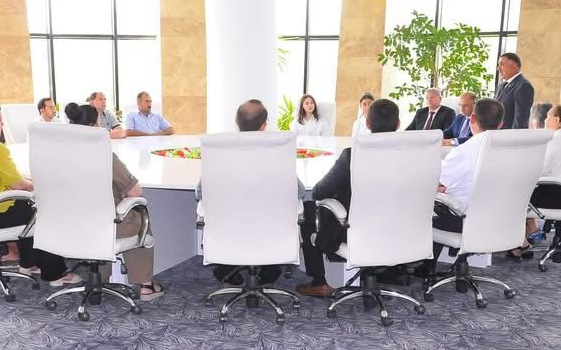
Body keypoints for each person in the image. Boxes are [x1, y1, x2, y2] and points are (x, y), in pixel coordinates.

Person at [0, 100, 78, 286]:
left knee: (25, 207)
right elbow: (19, 185)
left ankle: (29, 263)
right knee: (44, 212)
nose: (2, 124)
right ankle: (55, 274)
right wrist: (37, 183)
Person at [298, 98, 404, 297]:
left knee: (309, 209)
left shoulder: (352, 156)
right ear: (398, 124)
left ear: (367, 124)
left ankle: (320, 282)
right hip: (397, 228)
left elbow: (320, 192)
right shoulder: (410, 158)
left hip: (353, 231)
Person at [64, 102, 164, 300]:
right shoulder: (103, 156)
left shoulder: (61, 157)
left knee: (101, 216)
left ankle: (99, 277)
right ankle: (146, 285)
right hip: (105, 225)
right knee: (138, 216)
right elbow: (136, 191)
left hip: (72, 224)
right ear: (94, 127)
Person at [195, 99, 299, 288]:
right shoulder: (277, 154)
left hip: (231, 231)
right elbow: (298, 191)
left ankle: (227, 269)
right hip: (268, 232)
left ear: (237, 123)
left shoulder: (220, 152)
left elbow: (200, 193)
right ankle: (268, 271)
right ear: (264, 125)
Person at [430, 97, 505, 267]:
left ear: (472, 119)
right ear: (501, 124)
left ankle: (422, 267)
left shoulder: (465, 150)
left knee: (424, 206)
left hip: (463, 219)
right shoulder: (510, 149)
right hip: (498, 218)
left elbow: (432, 184)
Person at [513, 105, 561, 258]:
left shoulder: (554, 140)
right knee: (524, 187)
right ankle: (531, 230)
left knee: (515, 190)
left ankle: (520, 242)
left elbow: (539, 171)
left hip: (559, 196)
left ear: (557, 119)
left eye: (548, 116)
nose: (545, 120)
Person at [495, 52, 535, 130]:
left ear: (514, 66)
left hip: (509, 136)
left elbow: (520, 120)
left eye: (501, 64)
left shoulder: (523, 86)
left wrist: (514, 136)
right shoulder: (502, 86)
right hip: (497, 134)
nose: (498, 68)